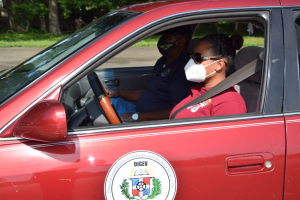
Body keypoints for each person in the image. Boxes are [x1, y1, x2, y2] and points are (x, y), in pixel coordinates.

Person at [107, 26, 195, 122]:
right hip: (137, 112)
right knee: (108, 102)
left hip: (150, 122)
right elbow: (149, 92)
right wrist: (118, 93)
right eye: (162, 37)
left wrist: (138, 117)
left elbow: (177, 111)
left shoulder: (182, 70)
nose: (162, 40)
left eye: (167, 37)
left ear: (181, 41)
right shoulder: (162, 61)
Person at [170, 33, 247, 119]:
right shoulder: (198, 89)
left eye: (198, 58)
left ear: (219, 65)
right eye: (192, 56)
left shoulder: (229, 103)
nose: (192, 62)